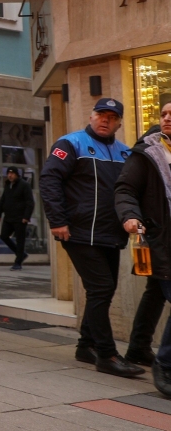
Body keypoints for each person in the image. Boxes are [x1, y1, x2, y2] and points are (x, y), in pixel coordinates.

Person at [39, 97, 142, 378]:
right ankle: (107, 355)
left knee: (104, 290)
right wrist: (57, 220)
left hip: (111, 234)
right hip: (79, 232)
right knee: (101, 288)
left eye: (112, 117)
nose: (105, 120)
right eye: (101, 114)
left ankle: (86, 346)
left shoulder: (125, 153)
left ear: (119, 123)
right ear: (91, 116)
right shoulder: (70, 144)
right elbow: (49, 180)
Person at [115, 102, 171, 394]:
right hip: (161, 237)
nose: (167, 118)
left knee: (155, 292)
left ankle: (138, 347)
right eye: (164, 114)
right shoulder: (147, 153)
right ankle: (166, 364)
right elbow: (125, 189)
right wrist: (130, 215)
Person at [0, 166, 35, 271]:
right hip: (8, 217)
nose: (10, 175)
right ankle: (21, 254)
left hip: (20, 218)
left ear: (17, 174)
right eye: (8, 173)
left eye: (12, 173)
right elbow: (3, 199)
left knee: (20, 240)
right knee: (4, 236)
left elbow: (30, 202)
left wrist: (26, 216)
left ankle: (18, 262)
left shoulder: (24, 185)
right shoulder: (7, 185)